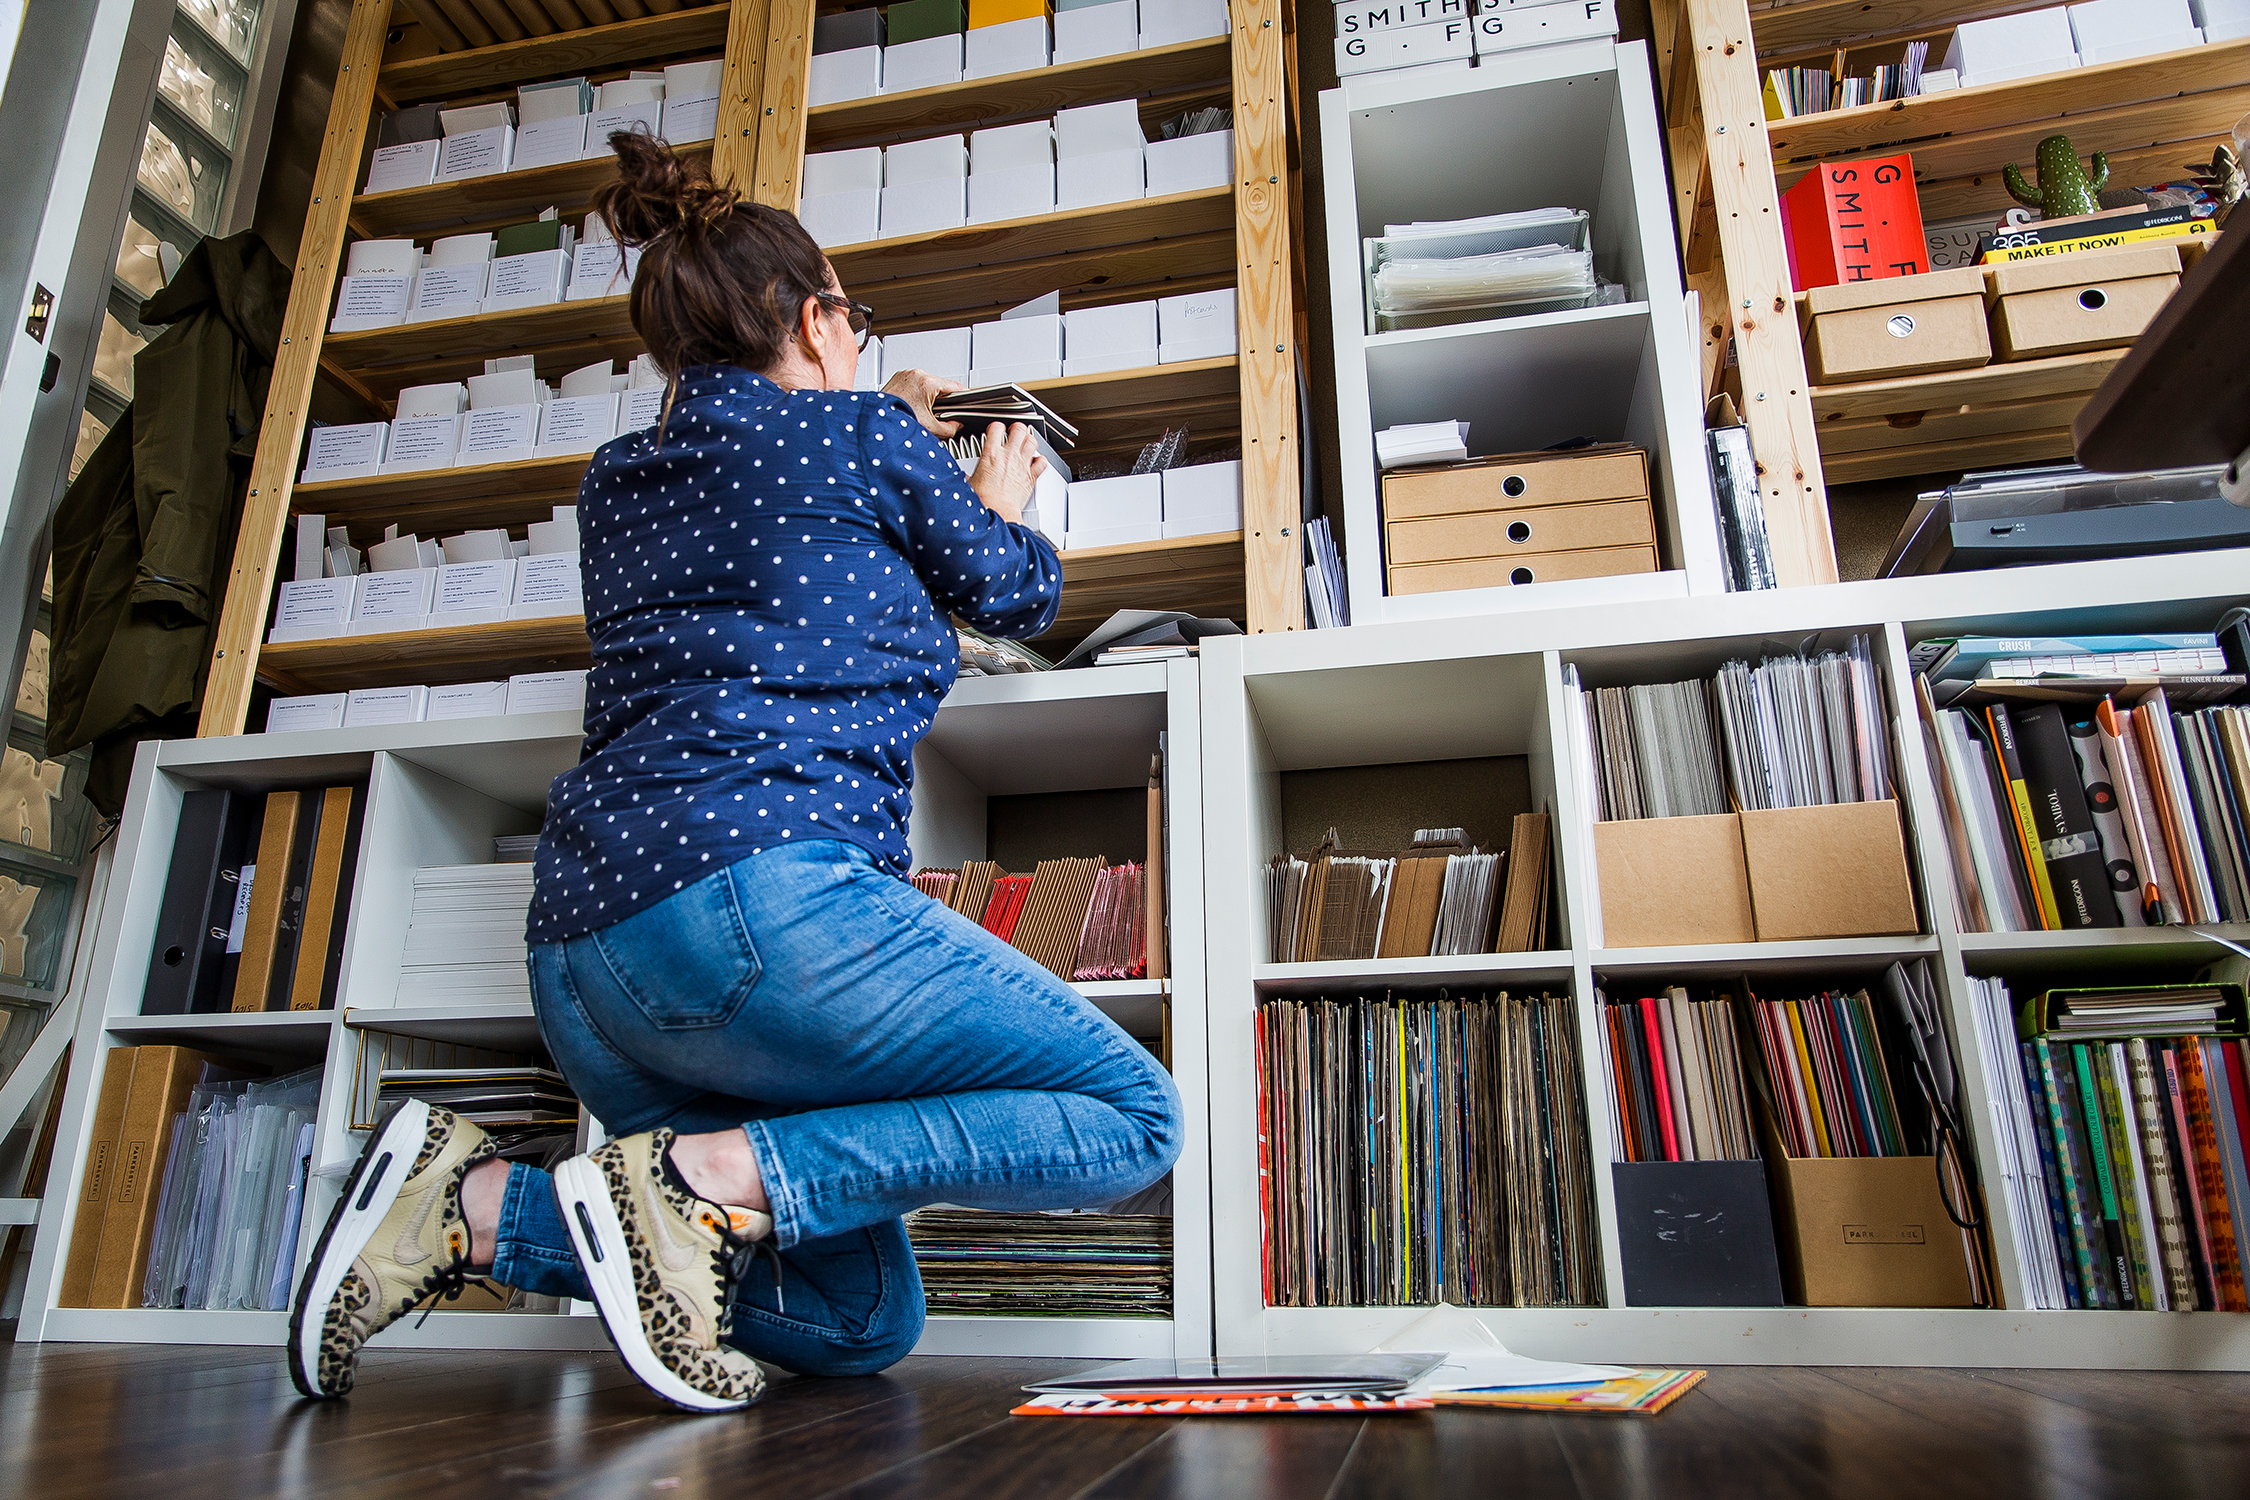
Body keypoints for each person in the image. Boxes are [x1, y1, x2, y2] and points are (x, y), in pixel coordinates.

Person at [288, 134, 1183, 1413]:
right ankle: (693, 1184)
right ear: (820, 322)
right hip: (759, 919)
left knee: (859, 1318)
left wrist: (897, 453)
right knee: (1134, 1117)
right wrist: (984, 485)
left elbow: (780, 577)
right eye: (855, 323)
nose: (863, 350)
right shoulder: (866, 433)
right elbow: (1020, 588)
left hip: (586, 969)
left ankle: (477, 1205)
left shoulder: (619, 481)